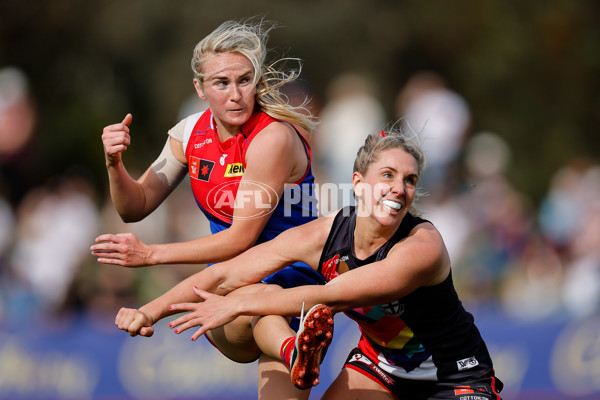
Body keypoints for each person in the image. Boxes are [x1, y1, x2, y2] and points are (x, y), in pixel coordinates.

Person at [115, 127, 504, 399]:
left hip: (456, 375)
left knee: (262, 293)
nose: (399, 189)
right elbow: (223, 273)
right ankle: (291, 350)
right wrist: (148, 313)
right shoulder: (324, 234)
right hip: (381, 369)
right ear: (357, 183)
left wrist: (237, 302)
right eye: (387, 175)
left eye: (410, 180)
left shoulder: (424, 245)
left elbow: (328, 295)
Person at [90, 18, 326, 397]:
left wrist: (151, 254)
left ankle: (297, 350)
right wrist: (113, 164)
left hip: (297, 288)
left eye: (244, 80)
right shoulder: (187, 135)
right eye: (221, 83)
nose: (236, 95)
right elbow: (135, 206)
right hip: (227, 291)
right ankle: (295, 350)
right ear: (200, 88)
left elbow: (239, 239)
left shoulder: (272, 139)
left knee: (267, 301)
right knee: (258, 298)